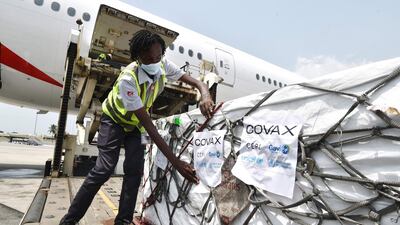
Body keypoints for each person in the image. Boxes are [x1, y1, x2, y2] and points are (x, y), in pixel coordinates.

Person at [60, 30, 214, 225]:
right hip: (114, 120)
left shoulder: (163, 65)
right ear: (138, 58)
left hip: (136, 126)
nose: (154, 62)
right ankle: (69, 221)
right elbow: (148, 126)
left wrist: (205, 94)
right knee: (104, 169)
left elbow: (197, 82)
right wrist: (176, 162)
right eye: (148, 59)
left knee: (134, 171)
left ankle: (123, 221)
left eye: (158, 56)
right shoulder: (128, 80)